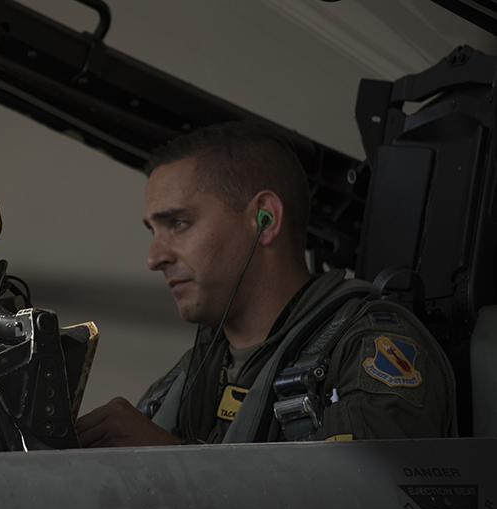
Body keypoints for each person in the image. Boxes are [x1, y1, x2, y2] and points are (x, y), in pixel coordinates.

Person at [75, 121, 455, 447]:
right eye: (154, 230)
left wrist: (169, 460)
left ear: (265, 220)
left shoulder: (365, 350)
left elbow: (360, 496)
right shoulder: (191, 376)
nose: (154, 258)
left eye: (178, 224)